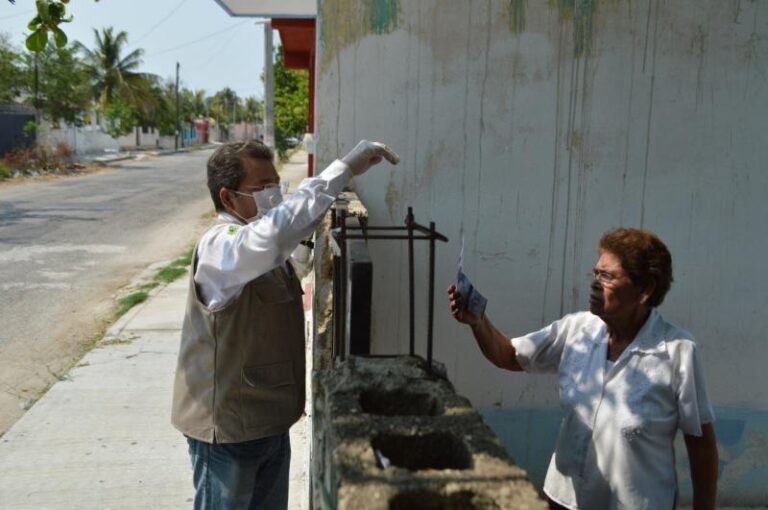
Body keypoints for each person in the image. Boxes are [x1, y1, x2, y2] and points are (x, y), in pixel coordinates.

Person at [172, 139, 399, 509]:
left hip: (269, 423)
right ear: (228, 198)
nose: (274, 197)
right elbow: (271, 237)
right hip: (227, 432)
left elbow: (290, 255)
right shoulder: (221, 246)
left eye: (277, 186)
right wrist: (340, 171)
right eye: (263, 189)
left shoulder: (261, 245)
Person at [447, 228, 718, 510]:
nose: (595, 284)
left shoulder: (677, 351)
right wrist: (478, 322)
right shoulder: (577, 330)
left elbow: (701, 444)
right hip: (564, 500)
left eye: (607, 276)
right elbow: (509, 355)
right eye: (595, 273)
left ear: (645, 290)